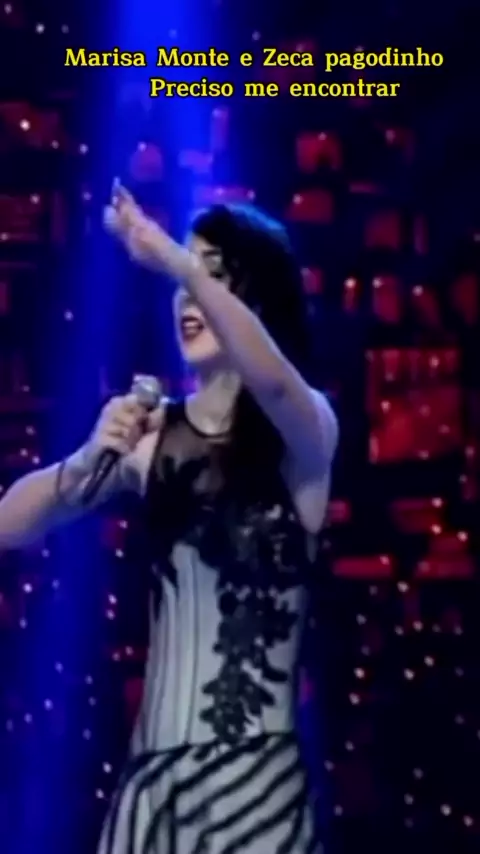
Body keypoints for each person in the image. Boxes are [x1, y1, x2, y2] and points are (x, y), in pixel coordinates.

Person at [0, 183, 338, 853]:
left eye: (214, 274)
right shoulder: (153, 437)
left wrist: (176, 261)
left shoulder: (306, 431)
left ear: (259, 301)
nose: (187, 296)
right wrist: (88, 457)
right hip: (150, 794)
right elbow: (9, 524)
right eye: (185, 279)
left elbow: (273, 383)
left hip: (257, 793)